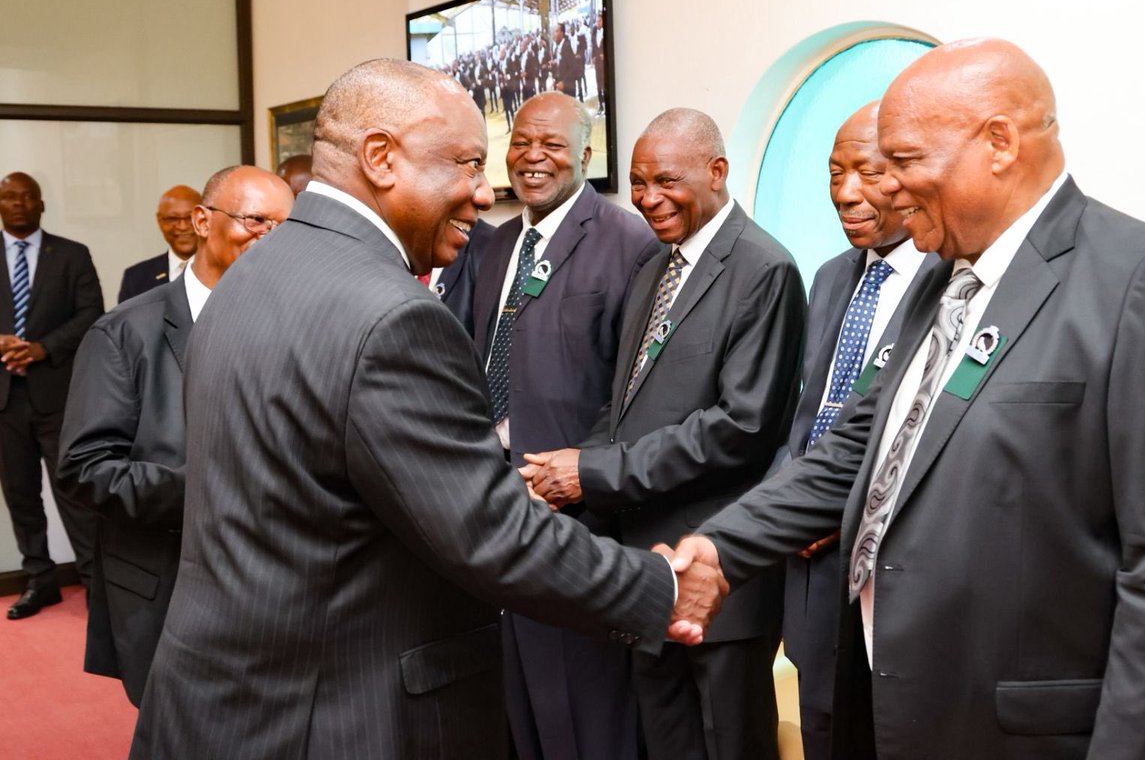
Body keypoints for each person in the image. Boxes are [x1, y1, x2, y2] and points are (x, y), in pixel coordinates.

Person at [129, 60, 724, 759]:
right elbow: (489, 533)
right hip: (335, 715)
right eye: (467, 163)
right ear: (381, 158)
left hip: (217, 699)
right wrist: (660, 586)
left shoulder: (250, 272)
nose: (482, 190)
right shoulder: (390, 314)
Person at [672, 38, 1145, 759]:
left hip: (1026, 733)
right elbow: (852, 455)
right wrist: (719, 547)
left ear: (1000, 143)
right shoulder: (936, 278)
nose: (883, 188)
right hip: (892, 707)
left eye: (904, 161)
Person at [525, 108, 806, 760]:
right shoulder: (653, 266)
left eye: (666, 180)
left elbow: (740, 428)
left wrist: (591, 474)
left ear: (716, 172)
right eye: (638, 182)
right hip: (645, 571)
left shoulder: (765, 269)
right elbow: (624, 409)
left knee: (728, 744)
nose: (649, 198)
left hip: (720, 575)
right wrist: (560, 473)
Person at [57, 166, 292, 707]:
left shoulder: (294, 323)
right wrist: (215, 492)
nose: (270, 239)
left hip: (276, 587)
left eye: (285, 227)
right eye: (257, 221)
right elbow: (86, 466)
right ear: (203, 221)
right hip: (170, 586)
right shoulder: (123, 332)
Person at [473, 91, 658, 760]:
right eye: (521, 142)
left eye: (551, 144)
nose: (531, 157)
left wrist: (579, 472)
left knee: (584, 708)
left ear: (585, 154)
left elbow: (632, 388)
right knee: (514, 699)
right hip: (495, 505)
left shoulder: (629, 242)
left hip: (577, 511)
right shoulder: (495, 246)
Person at [776, 101, 937, 760]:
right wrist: (790, 503)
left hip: (901, 572)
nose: (846, 193)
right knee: (822, 730)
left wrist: (837, 509)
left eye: (866, 172)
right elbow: (807, 418)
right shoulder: (831, 276)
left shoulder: (950, 279)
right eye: (834, 172)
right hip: (813, 571)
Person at [0, 171, 103, 618]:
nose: (18, 203)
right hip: (5, 399)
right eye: (8, 197)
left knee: (75, 494)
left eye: (28, 197)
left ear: (42, 205)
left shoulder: (72, 255)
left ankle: (97, 585)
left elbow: (91, 315)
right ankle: (40, 582)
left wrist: (42, 348)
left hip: (58, 396)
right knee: (21, 496)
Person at [117, 185, 201, 303]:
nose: (183, 226)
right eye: (173, 218)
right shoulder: (136, 278)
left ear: (204, 219)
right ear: (159, 221)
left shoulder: (226, 272)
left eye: (190, 217)